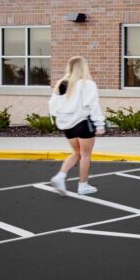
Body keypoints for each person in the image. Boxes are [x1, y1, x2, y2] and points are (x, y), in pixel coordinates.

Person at [47, 56, 106, 195]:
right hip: (82, 124)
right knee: (85, 155)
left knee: (77, 153)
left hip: (68, 127)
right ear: (84, 67)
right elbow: (93, 105)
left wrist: (63, 117)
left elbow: (52, 107)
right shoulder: (87, 84)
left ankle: (60, 177)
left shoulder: (61, 83)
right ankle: (83, 185)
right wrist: (99, 123)